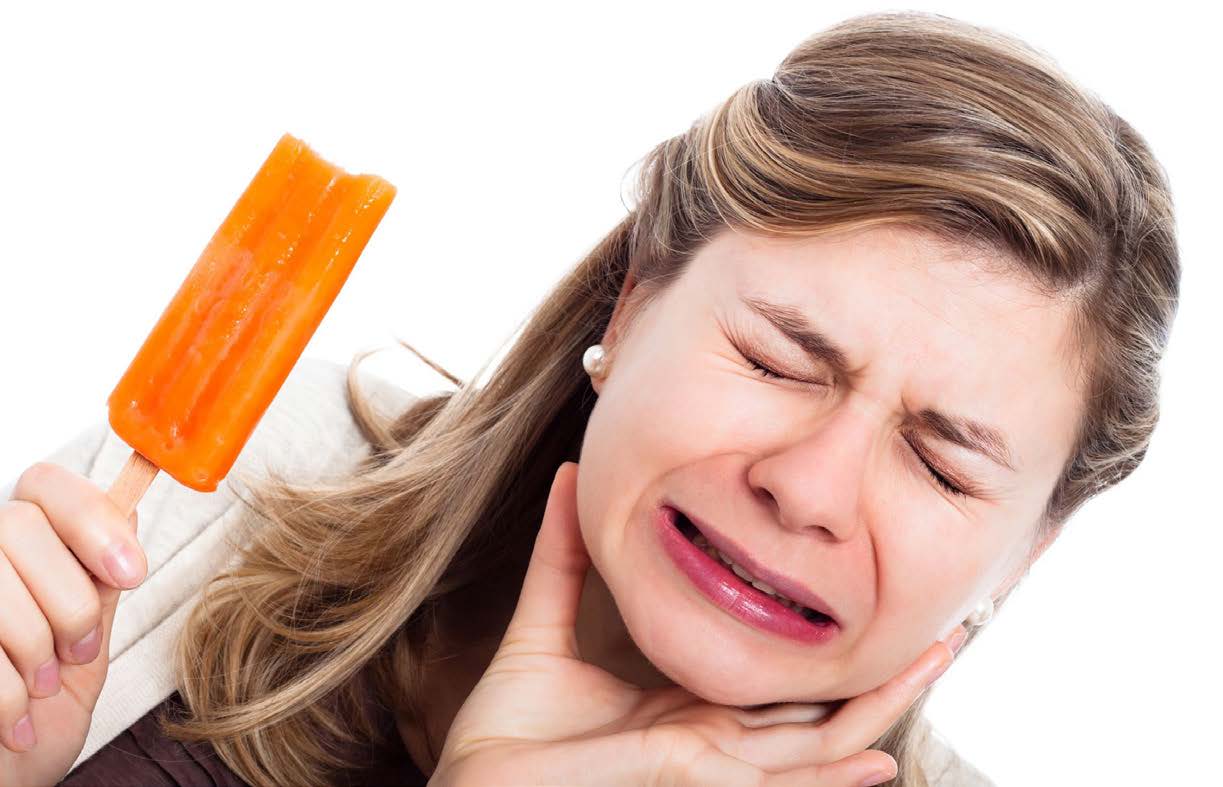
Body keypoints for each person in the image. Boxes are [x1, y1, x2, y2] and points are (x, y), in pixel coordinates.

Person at [0, 9, 1179, 787]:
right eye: (774, 360)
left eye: (941, 464)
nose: (808, 486)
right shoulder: (220, 493)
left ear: (1030, 547)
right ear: (630, 304)